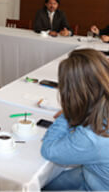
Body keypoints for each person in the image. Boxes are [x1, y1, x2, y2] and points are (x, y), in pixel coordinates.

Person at [41, 49, 109, 190]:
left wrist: (68, 112)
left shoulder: (93, 136)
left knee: (41, 186)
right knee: (48, 183)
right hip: (94, 174)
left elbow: (48, 149)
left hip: (97, 186)